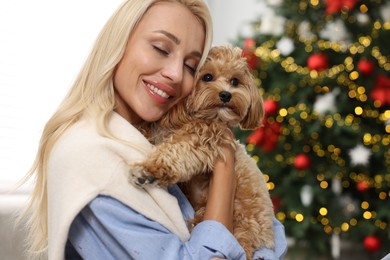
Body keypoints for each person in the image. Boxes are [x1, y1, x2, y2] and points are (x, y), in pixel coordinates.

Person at [20, 0, 287, 259]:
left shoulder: (149, 136)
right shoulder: (89, 159)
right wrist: (224, 162)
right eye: (161, 48)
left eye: (190, 66)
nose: (175, 73)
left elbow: (270, 236)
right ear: (119, 42)